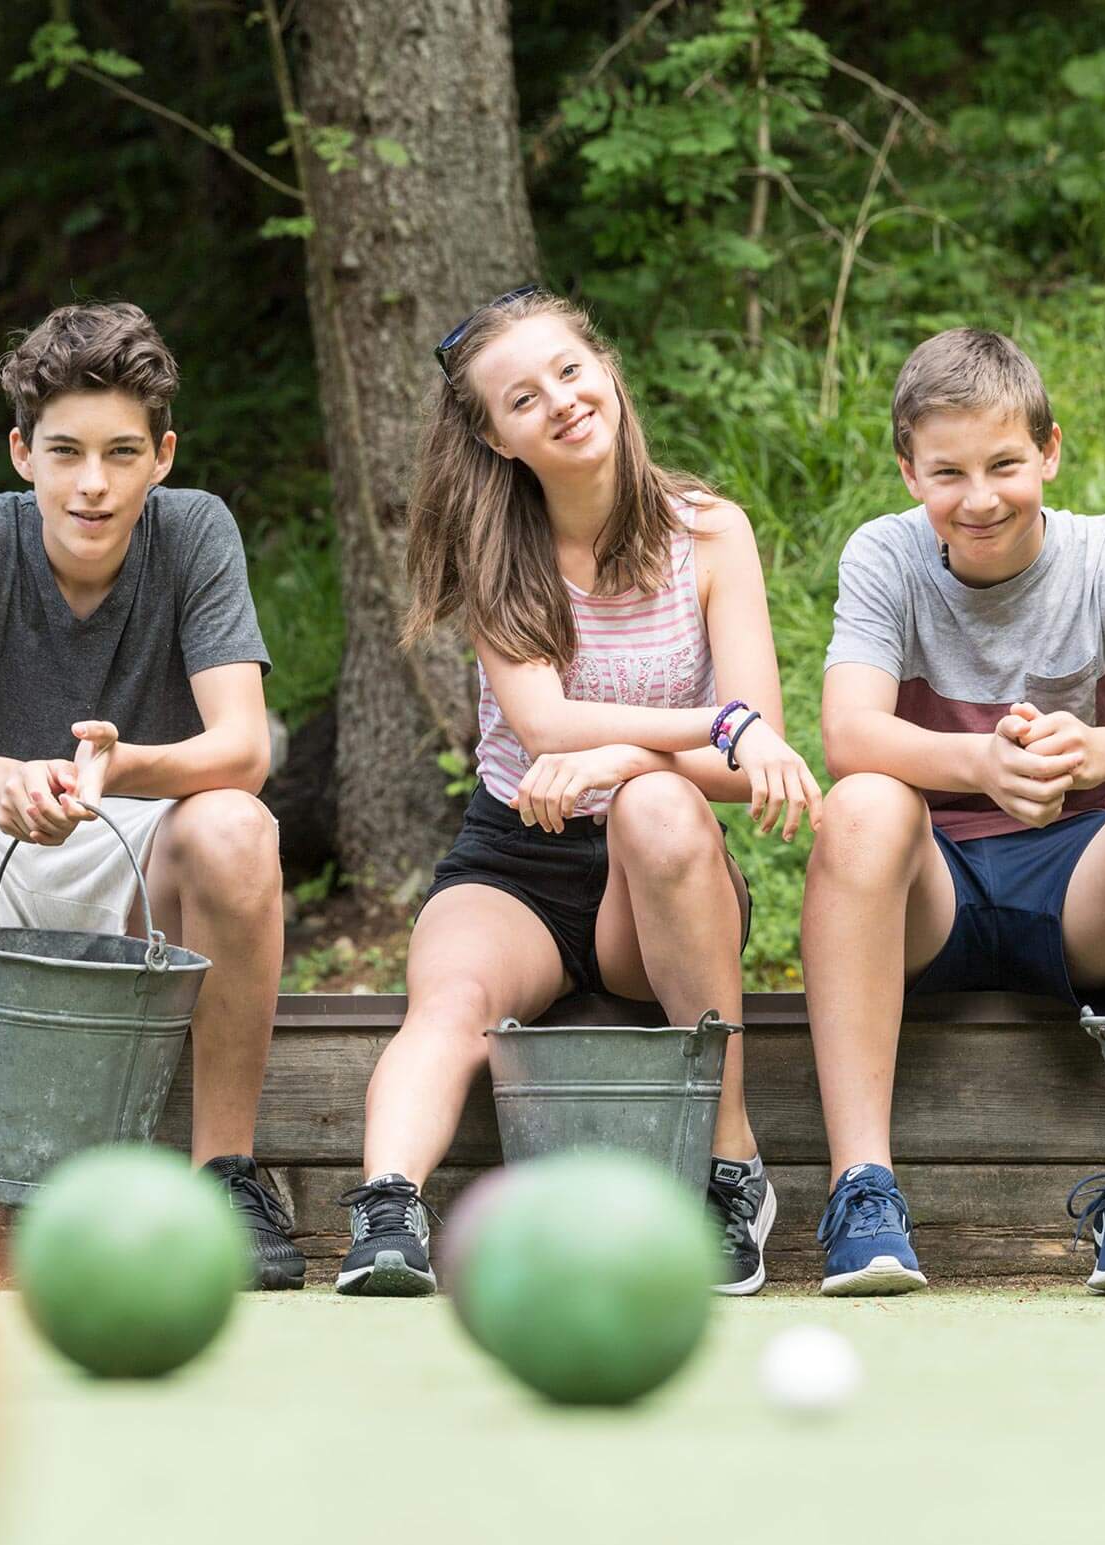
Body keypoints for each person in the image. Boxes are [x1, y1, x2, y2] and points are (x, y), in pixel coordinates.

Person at [335, 287, 822, 1298]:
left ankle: (731, 1166)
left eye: (568, 370)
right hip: (517, 856)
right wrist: (715, 725)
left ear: (606, 372)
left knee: (651, 804)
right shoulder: (499, 556)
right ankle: (387, 1211)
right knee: (454, 995)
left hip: (657, 875)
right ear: (497, 438)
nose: (558, 401)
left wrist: (632, 762)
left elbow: (748, 760)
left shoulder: (711, 535)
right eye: (522, 399)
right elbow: (551, 728)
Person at [0, 301, 304, 1288]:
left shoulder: (196, 532)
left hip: (144, 854)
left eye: (123, 453)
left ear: (164, 456)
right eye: (66, 452)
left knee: (236, 823)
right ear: (22, 453)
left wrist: (123, 767)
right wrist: (10, 780)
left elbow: (243, 745)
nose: (93, 483)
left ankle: (225, 1174)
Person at [802, 327, 1105, 1296]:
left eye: (1005, 464)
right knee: (864, 802)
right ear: (909, 471)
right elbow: (848, 734)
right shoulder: (884, 556)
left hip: (1077, 884)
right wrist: (978, 763)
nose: (980, 498)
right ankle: (862, 1188)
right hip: (934, 892)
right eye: (948, 471)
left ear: (1049, 451)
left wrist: (1099, 748)